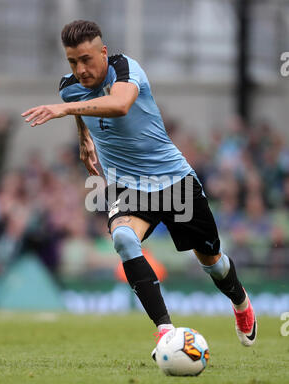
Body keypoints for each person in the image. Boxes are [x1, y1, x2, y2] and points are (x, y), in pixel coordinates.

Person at [22, 20, 257, 357]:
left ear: (103, 52)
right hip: (127, 187)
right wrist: (83, 137)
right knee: (122, 238)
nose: (81, 69)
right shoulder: (69, 88)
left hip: (173, 182)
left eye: (87, 59)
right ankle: (166, 331)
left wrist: (64, 110)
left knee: (212, 263)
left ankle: (240, 301)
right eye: (73, 62)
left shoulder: (126, 69)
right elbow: (80, 105)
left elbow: (119, 105)